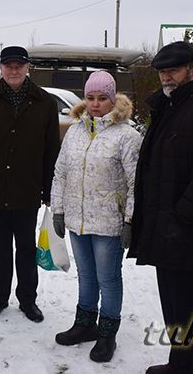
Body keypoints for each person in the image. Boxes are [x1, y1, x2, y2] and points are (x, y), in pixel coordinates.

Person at [127, 42, 193, 374]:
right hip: (163, 225)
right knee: (171, 301)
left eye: (173, 70)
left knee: (186, 304)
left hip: (186, 229)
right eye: (162, 71)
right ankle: (180, 362)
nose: (166, 77)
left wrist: (183, 214)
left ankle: (187, 366)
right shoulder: (165, 107)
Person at [0, 45, 60, 323]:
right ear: (1, 68)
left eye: (19, 65)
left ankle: (28, 300)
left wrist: (48, 187)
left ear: (28, 67)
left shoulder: (44, 103)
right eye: (8, 65)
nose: (14, 70)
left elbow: (52, 149)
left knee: (26, 249)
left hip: (27, 190)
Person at [50, 71, 142, 363]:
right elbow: (61, 172)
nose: (95, 104)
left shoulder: (127, 135)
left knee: (108, 278)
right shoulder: (75, 130)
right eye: (90, 98)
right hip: (77, 219)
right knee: (86, 275)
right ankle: (85, 323)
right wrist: (59, 210)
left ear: (113, 99)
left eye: (102, 98)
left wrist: (130, 220)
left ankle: (107, 332)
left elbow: (136, 183)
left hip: (108, 223)